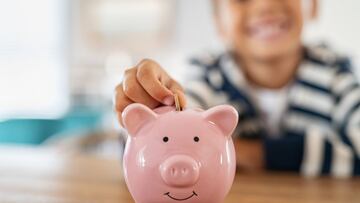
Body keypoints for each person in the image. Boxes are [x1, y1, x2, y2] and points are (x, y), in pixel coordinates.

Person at [114, 0, 360, 177]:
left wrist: (256, 154)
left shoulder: (335, 72)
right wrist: (154, 115)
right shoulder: (207, 72)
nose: (265, 5)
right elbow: (163, 141)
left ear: (313, 5)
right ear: (219, 22)